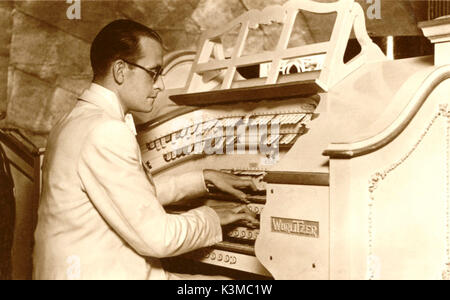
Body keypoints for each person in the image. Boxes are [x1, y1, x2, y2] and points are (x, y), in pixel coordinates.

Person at [33, 19, 258, 280]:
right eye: (154, 72)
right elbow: (159, 239)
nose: (160, 84)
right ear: (120, 70)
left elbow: (124, 195)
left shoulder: (72, 120)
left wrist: (202, 180)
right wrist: (212, 217)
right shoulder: (106, 131)